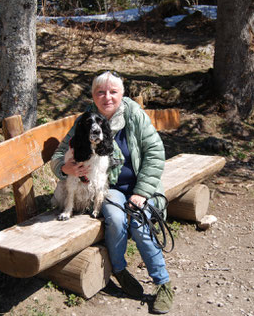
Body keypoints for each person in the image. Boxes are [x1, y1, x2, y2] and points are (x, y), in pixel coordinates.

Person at [50, 71, 174, 314]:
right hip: (109, 189)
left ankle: (163, 283)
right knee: (116, 219)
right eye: (101, 92)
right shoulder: (85, 120)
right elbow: (58, 155)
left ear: (122, 94)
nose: (107, 97)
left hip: (140, 188)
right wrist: (63, 168)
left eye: (113, 92)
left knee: (139, 222)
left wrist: (141, 192)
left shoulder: (135, 115)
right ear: (94, 96)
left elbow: (155, 154)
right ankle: (119, 269)